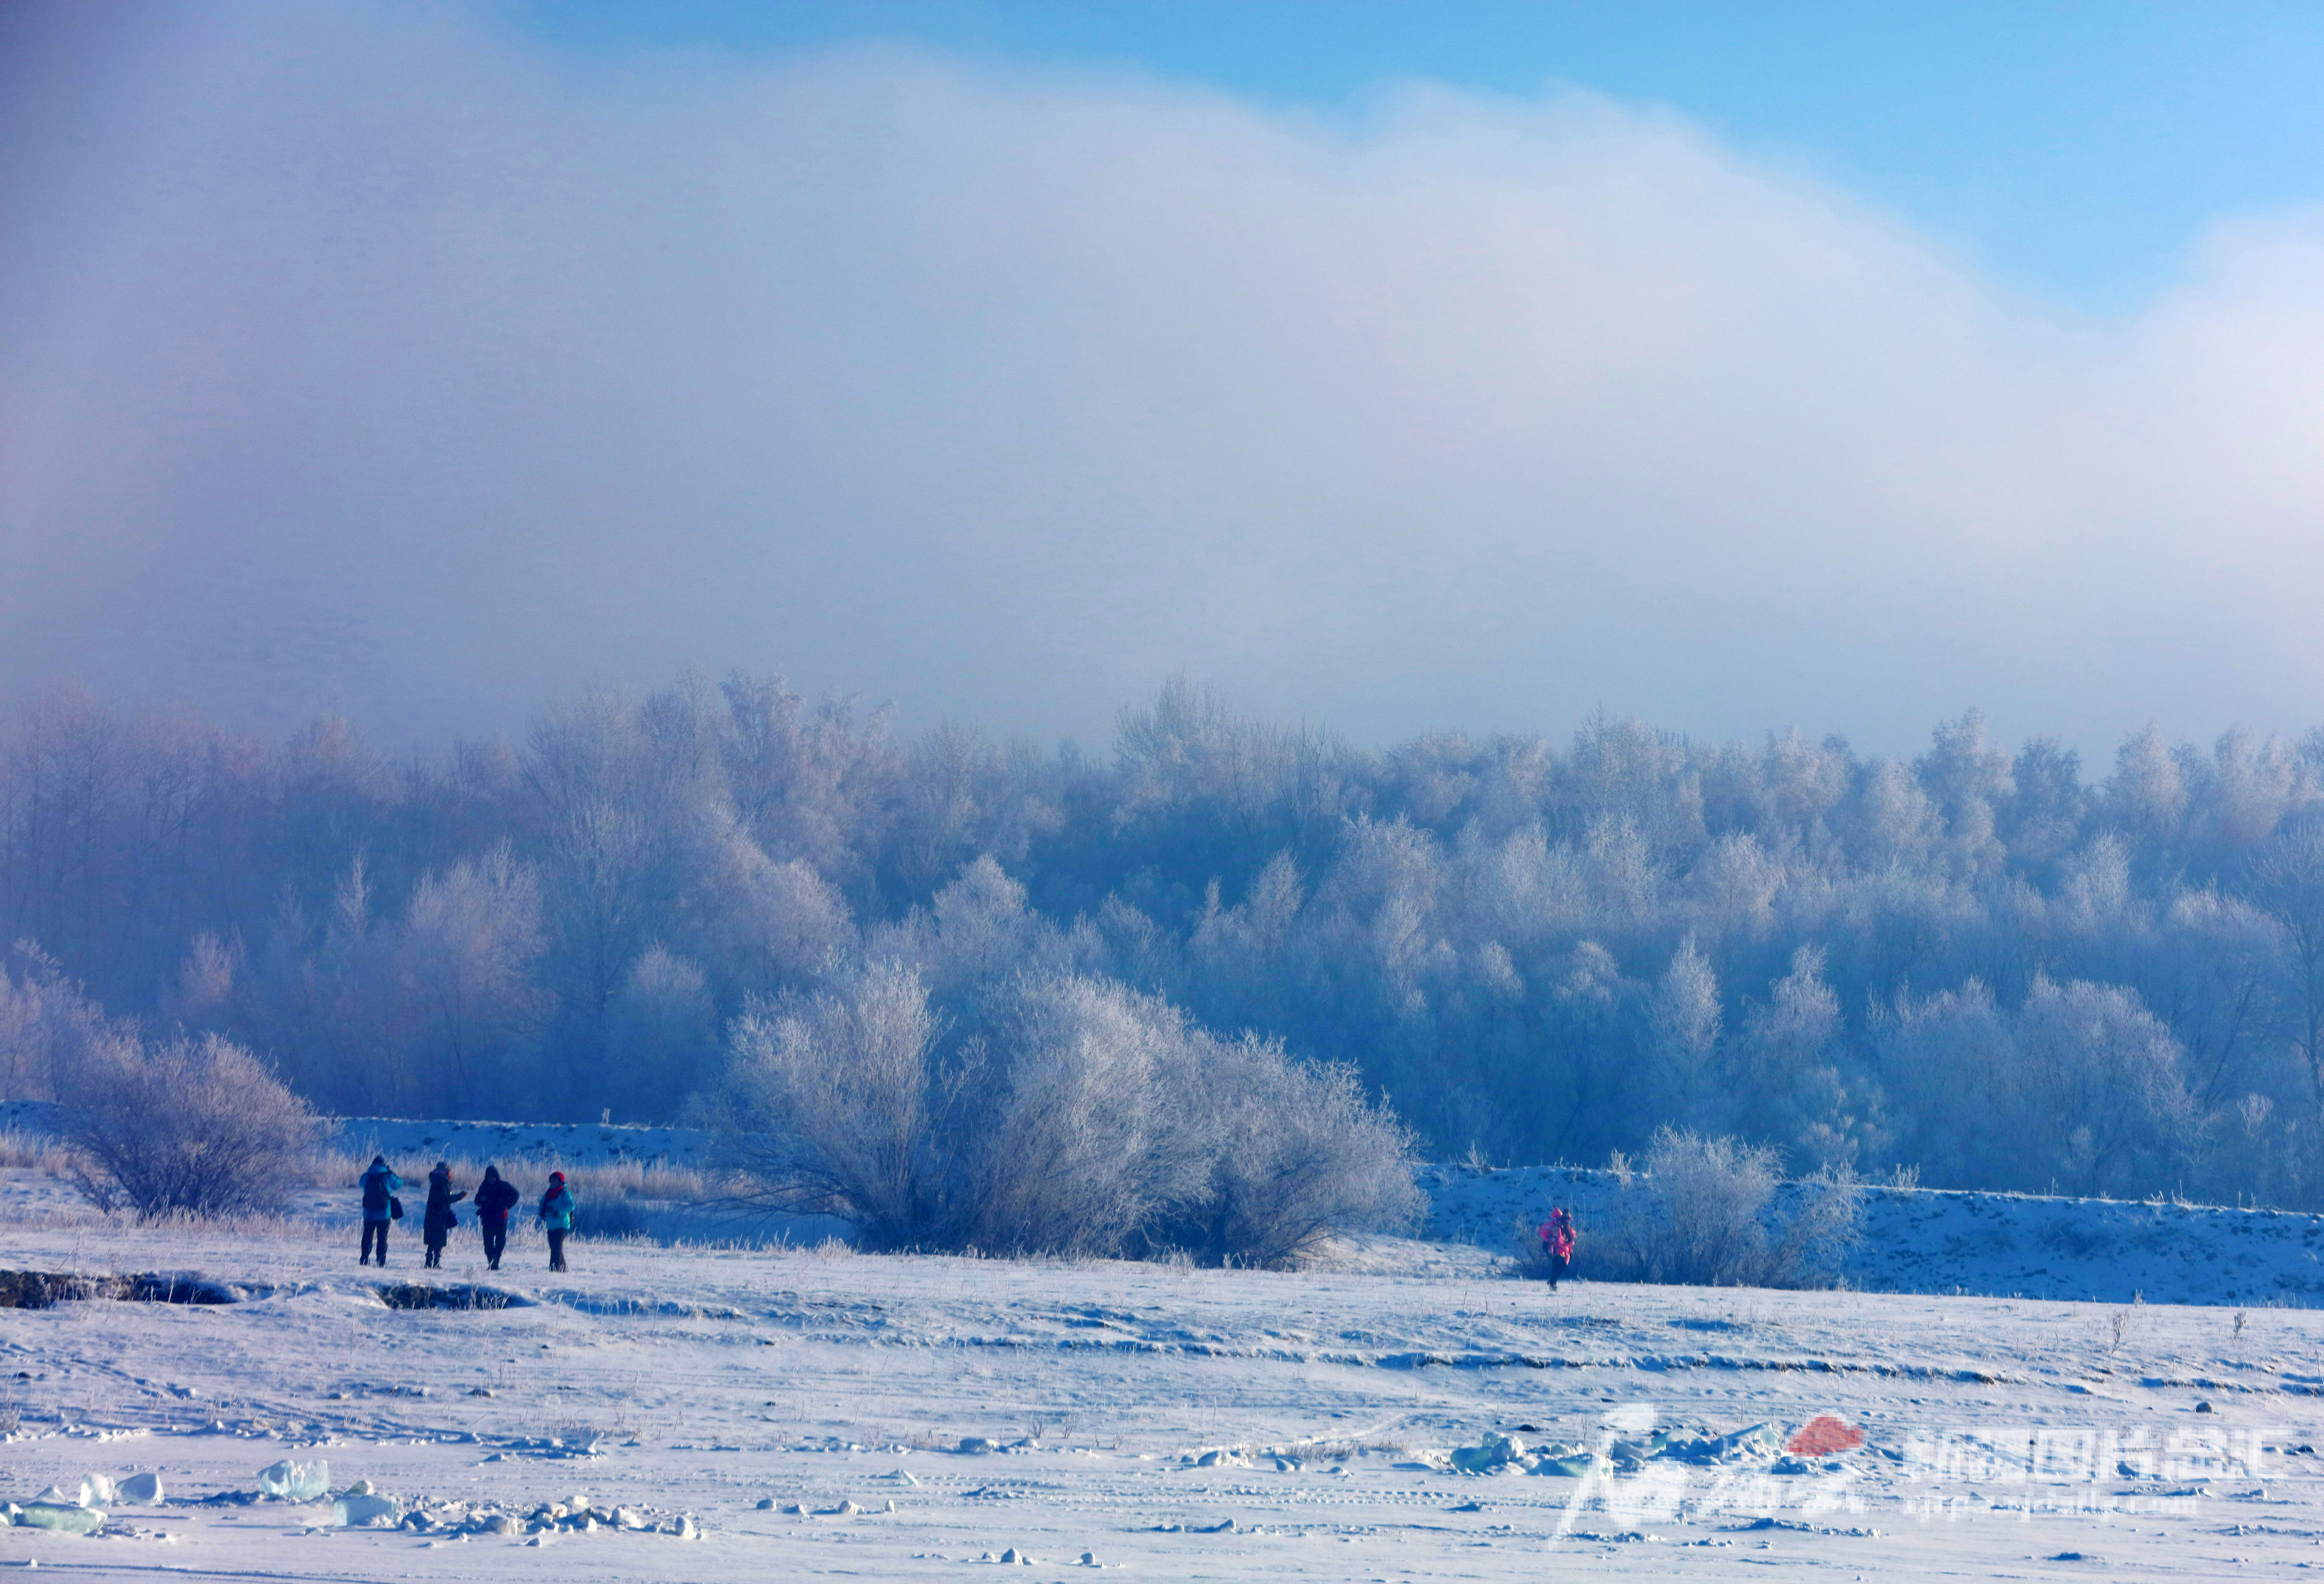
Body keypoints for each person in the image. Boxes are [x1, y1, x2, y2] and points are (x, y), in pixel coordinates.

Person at [473, 1164, 520, 1271]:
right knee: (488, 1244)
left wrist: (508, 1205)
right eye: (489, 1177)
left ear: (496, 1177)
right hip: (487, 1219)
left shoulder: (504, 1186)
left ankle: (496, 1261)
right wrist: (482, 1200)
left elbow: (516, 1195)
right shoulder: (483, 1187)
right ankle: (491, 1263)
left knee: (500, 1242)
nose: (491, 1179)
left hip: (501, 1219)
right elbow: (477, 1201)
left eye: (493, 1177)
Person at [421, 1161, 467, 1270]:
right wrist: (459, 1197)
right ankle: (433, 1263)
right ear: (446, 1172)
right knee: (437, 1240)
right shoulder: (441, 1183)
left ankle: (431, 1262)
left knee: (435, 1240)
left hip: (436, 1216)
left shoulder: (438, 1182)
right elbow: (445, 1199)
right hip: (438, 1216)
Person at [359, 1155, 402, 1266]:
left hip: (369, 1213)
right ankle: (381, 1260)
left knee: (367, 1235)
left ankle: (364, 1259)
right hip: (384, 1213)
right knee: (382, 1237)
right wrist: (390, 1172)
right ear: (384, 1164)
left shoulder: (367, 1175)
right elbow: (399, 1184)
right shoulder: (387, 1175)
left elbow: (361, 1184)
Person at [537, 1171, 576, 1273]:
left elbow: (571, 1206)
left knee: (556, 1246)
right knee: (554, 1247)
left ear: (560, 1181)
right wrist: (542, 1213)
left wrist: (558, 1211)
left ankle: (554, 1270)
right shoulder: (548, 1193)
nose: (553, 1181)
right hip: (551, 1224)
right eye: (552, 1179)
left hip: (562, 1224)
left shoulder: (565, 1193)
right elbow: (542, 1204)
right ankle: (563, 1269)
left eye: (555, 1179)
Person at [1540, 1207, 1577, 1290]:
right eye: (1567, 1219)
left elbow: (1566, 1242)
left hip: (1561, 1250)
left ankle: (1553, 1284)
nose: (1568, 1221)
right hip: (1556, 1250)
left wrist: (1569, 1250)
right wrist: (1551, 1250)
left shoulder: (1565, 1228)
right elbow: (1555, 1240)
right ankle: (1552, 1282)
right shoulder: (1558, 1227)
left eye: (1569, 1219)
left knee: (1557, 1267)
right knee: (1562, 1267)